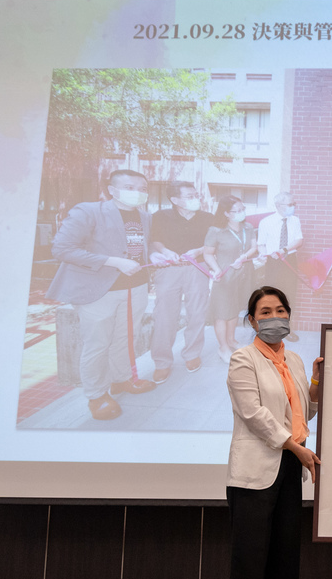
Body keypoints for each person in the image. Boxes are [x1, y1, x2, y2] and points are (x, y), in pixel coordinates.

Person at [224, 286, 322, 579]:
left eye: (281, 309)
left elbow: (304, 412)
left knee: (284, 562)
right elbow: (254, 414)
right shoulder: (242, 359)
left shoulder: (295, 360)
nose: (274, 317)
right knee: (250, 563)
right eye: (265, 311)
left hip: (287, 470)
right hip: (253, 474)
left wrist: (314, 384)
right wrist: (296, 449)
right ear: (251, 320)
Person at [47, 169, 156, 420]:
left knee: (126, 338)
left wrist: (156, 257)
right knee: (97, 344)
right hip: (98, 290)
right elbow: (62, 249)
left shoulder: (145, 217)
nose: (137, 193)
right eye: (130, 187)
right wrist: (112, 261)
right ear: (112, 189)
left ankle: (122, 380)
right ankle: (96, 395)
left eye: (142, 188)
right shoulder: (88, 211)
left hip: (136, 287)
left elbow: (140, 251)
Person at [147, 180, 213, 381]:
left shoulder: (208, 218)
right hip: (169, 270)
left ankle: (192, 354)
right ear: (174, 199)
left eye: (196, 195)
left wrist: (200, 251)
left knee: (197, 314)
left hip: (197, 269)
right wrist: (165, 251)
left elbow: (213, 243)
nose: (196, 199)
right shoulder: (160, 216)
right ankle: (162, 362)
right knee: (164, 316)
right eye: (190, 196)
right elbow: (154, 239)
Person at [204, 195, 258, 363]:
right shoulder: (216, 230)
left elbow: (254, 248)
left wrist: (243, 257)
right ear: (226, 213)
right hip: (224, 278)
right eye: (237, 210)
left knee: (234, 310)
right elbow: (207, 253)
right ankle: (223, 348)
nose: (242, 213)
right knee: (222, 313)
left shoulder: (248, 227)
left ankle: (232, 340)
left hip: (242, 277)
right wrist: (217, 270)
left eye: (243, 209)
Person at [256, 192, 304, 340]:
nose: (293, 207)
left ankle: (287, 329)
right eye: (290, 204)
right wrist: (263, 255)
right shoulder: (266, 222)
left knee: (289, 295)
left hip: (289, 259)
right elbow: (261, 244)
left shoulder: (295, 220)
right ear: (278, 206)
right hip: (273, 262)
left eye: (294, 204)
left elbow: (299, 241)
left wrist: (284, 250)